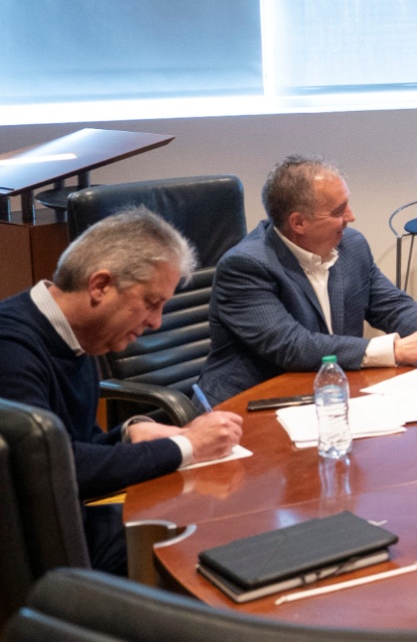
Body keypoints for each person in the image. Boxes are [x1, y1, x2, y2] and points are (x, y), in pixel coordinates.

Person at [0, 211, 244, 573]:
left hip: (71, 521)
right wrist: (187, 446)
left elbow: (70, 447)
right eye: (151, 302)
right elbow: (52, 470)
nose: (156, 322)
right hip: (43, 558)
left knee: (219, 521)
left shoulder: (78, 337)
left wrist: (129, 435)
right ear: (99, 286)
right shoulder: (11, 346)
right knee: (208, 554)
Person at [202, 156, 417, 401]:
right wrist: (396, 349)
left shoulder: (351, 245)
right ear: (298, 222)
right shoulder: (246, 266)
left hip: (331, 395)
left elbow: (391, 305)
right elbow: (292, 346)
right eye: (339, 211)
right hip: (253, 406)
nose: (351, 217)